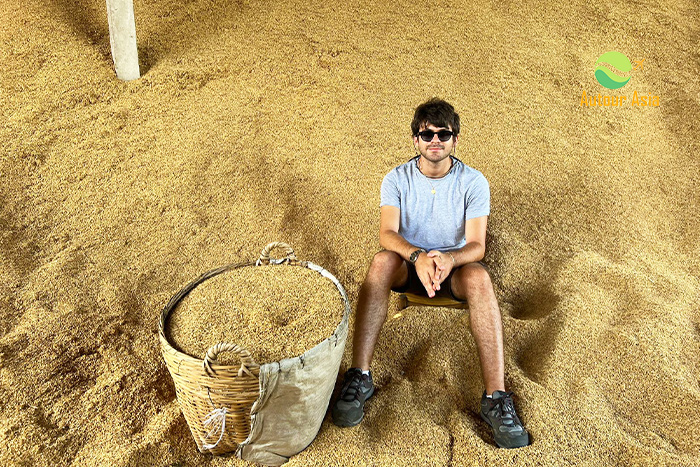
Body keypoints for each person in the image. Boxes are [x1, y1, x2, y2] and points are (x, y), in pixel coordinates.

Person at [331, 98, 529, 449]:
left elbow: (477, 244)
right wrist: (418, 256)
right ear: (415, 140)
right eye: (427, 134)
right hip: (410, 268)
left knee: (480, 277)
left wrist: (449, 259)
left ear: (455, 140)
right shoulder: (396, 178)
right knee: (380, 261)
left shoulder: (473, 181)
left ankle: (496, 398)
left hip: (453, 270)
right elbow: (387, 234)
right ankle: (359, 376)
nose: (434, 140)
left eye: (443, 133)